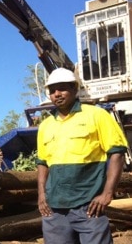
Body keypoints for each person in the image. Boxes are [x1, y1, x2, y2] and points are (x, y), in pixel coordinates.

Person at [36, 68, 128, 244]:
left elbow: (117, 153)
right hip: (54, 210)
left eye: (62, 88)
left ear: (74, 89)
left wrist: (107, 194)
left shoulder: (96, 115)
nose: (57, 94)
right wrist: (41, 195)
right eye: (53, 90)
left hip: (88, 206)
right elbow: (43, 163)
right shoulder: (46, 126)